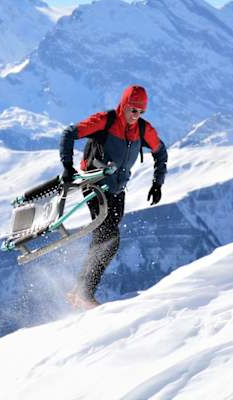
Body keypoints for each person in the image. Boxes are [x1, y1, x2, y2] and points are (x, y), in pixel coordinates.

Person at [59, 85, 168, 309]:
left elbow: (160, 152)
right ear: (124, 105)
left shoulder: (143, 129)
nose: (135, 116)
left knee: (104, 237)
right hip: (95, 184)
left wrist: (157, 183)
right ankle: (84, 293)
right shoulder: (105, 121)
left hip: (117, 190)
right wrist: (67, 166)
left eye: (140, 112)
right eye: (132, 110)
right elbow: (69, 133)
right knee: (110, 236)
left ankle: (78, 290)